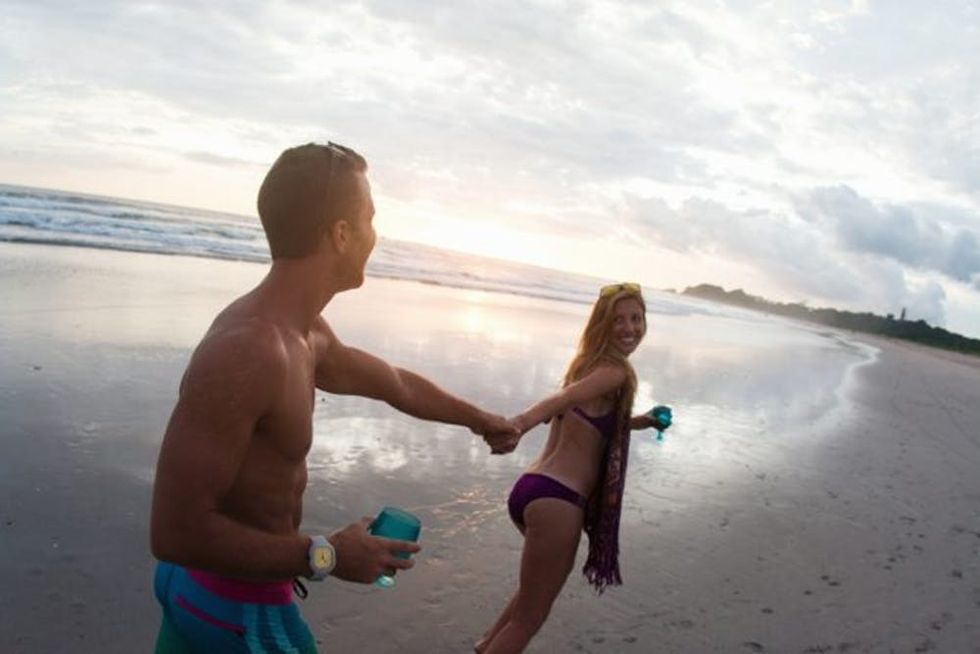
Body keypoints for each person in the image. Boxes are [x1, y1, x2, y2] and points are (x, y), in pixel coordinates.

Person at [150, 142, 519, 653]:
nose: (376, 235)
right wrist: (327, 555)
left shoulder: (305, 332)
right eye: (370, 219)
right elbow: (174, 532)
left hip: (198, 593)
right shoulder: (249, 350)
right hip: (235, 611)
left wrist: (480, 419)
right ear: (341, 234)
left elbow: (394, 382)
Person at [476, 282, 660, 653]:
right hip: (559, 501)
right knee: (529, 619)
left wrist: (643, 421)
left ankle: (485, 647)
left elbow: (593, 421)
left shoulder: (585, 366)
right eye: (618, 320)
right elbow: (561, 399)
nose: (629, 328)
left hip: (533, 489)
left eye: (636, 318)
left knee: (531, 596)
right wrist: (519, 424)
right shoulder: (616, 372)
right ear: (602, 325)